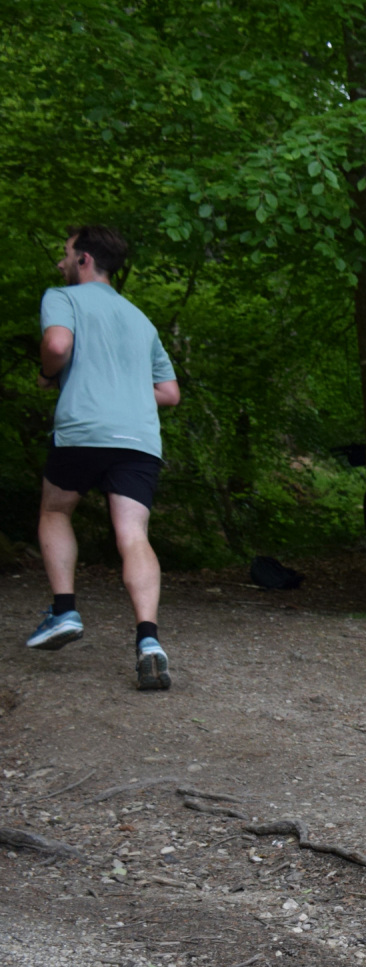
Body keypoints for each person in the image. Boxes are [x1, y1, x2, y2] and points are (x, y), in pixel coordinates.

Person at [27, 225, 180, 691]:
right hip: (138, 437)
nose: (61, 262)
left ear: (85, 259)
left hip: (84, 428)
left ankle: (64, 610)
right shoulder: (140, 319)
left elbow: (57, 346)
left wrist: (48, 373)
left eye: (66, 253)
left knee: (55, 511)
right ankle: (149, 641)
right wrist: (125, 395)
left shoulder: (63, 297)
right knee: (133, 534)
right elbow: (169, 393)